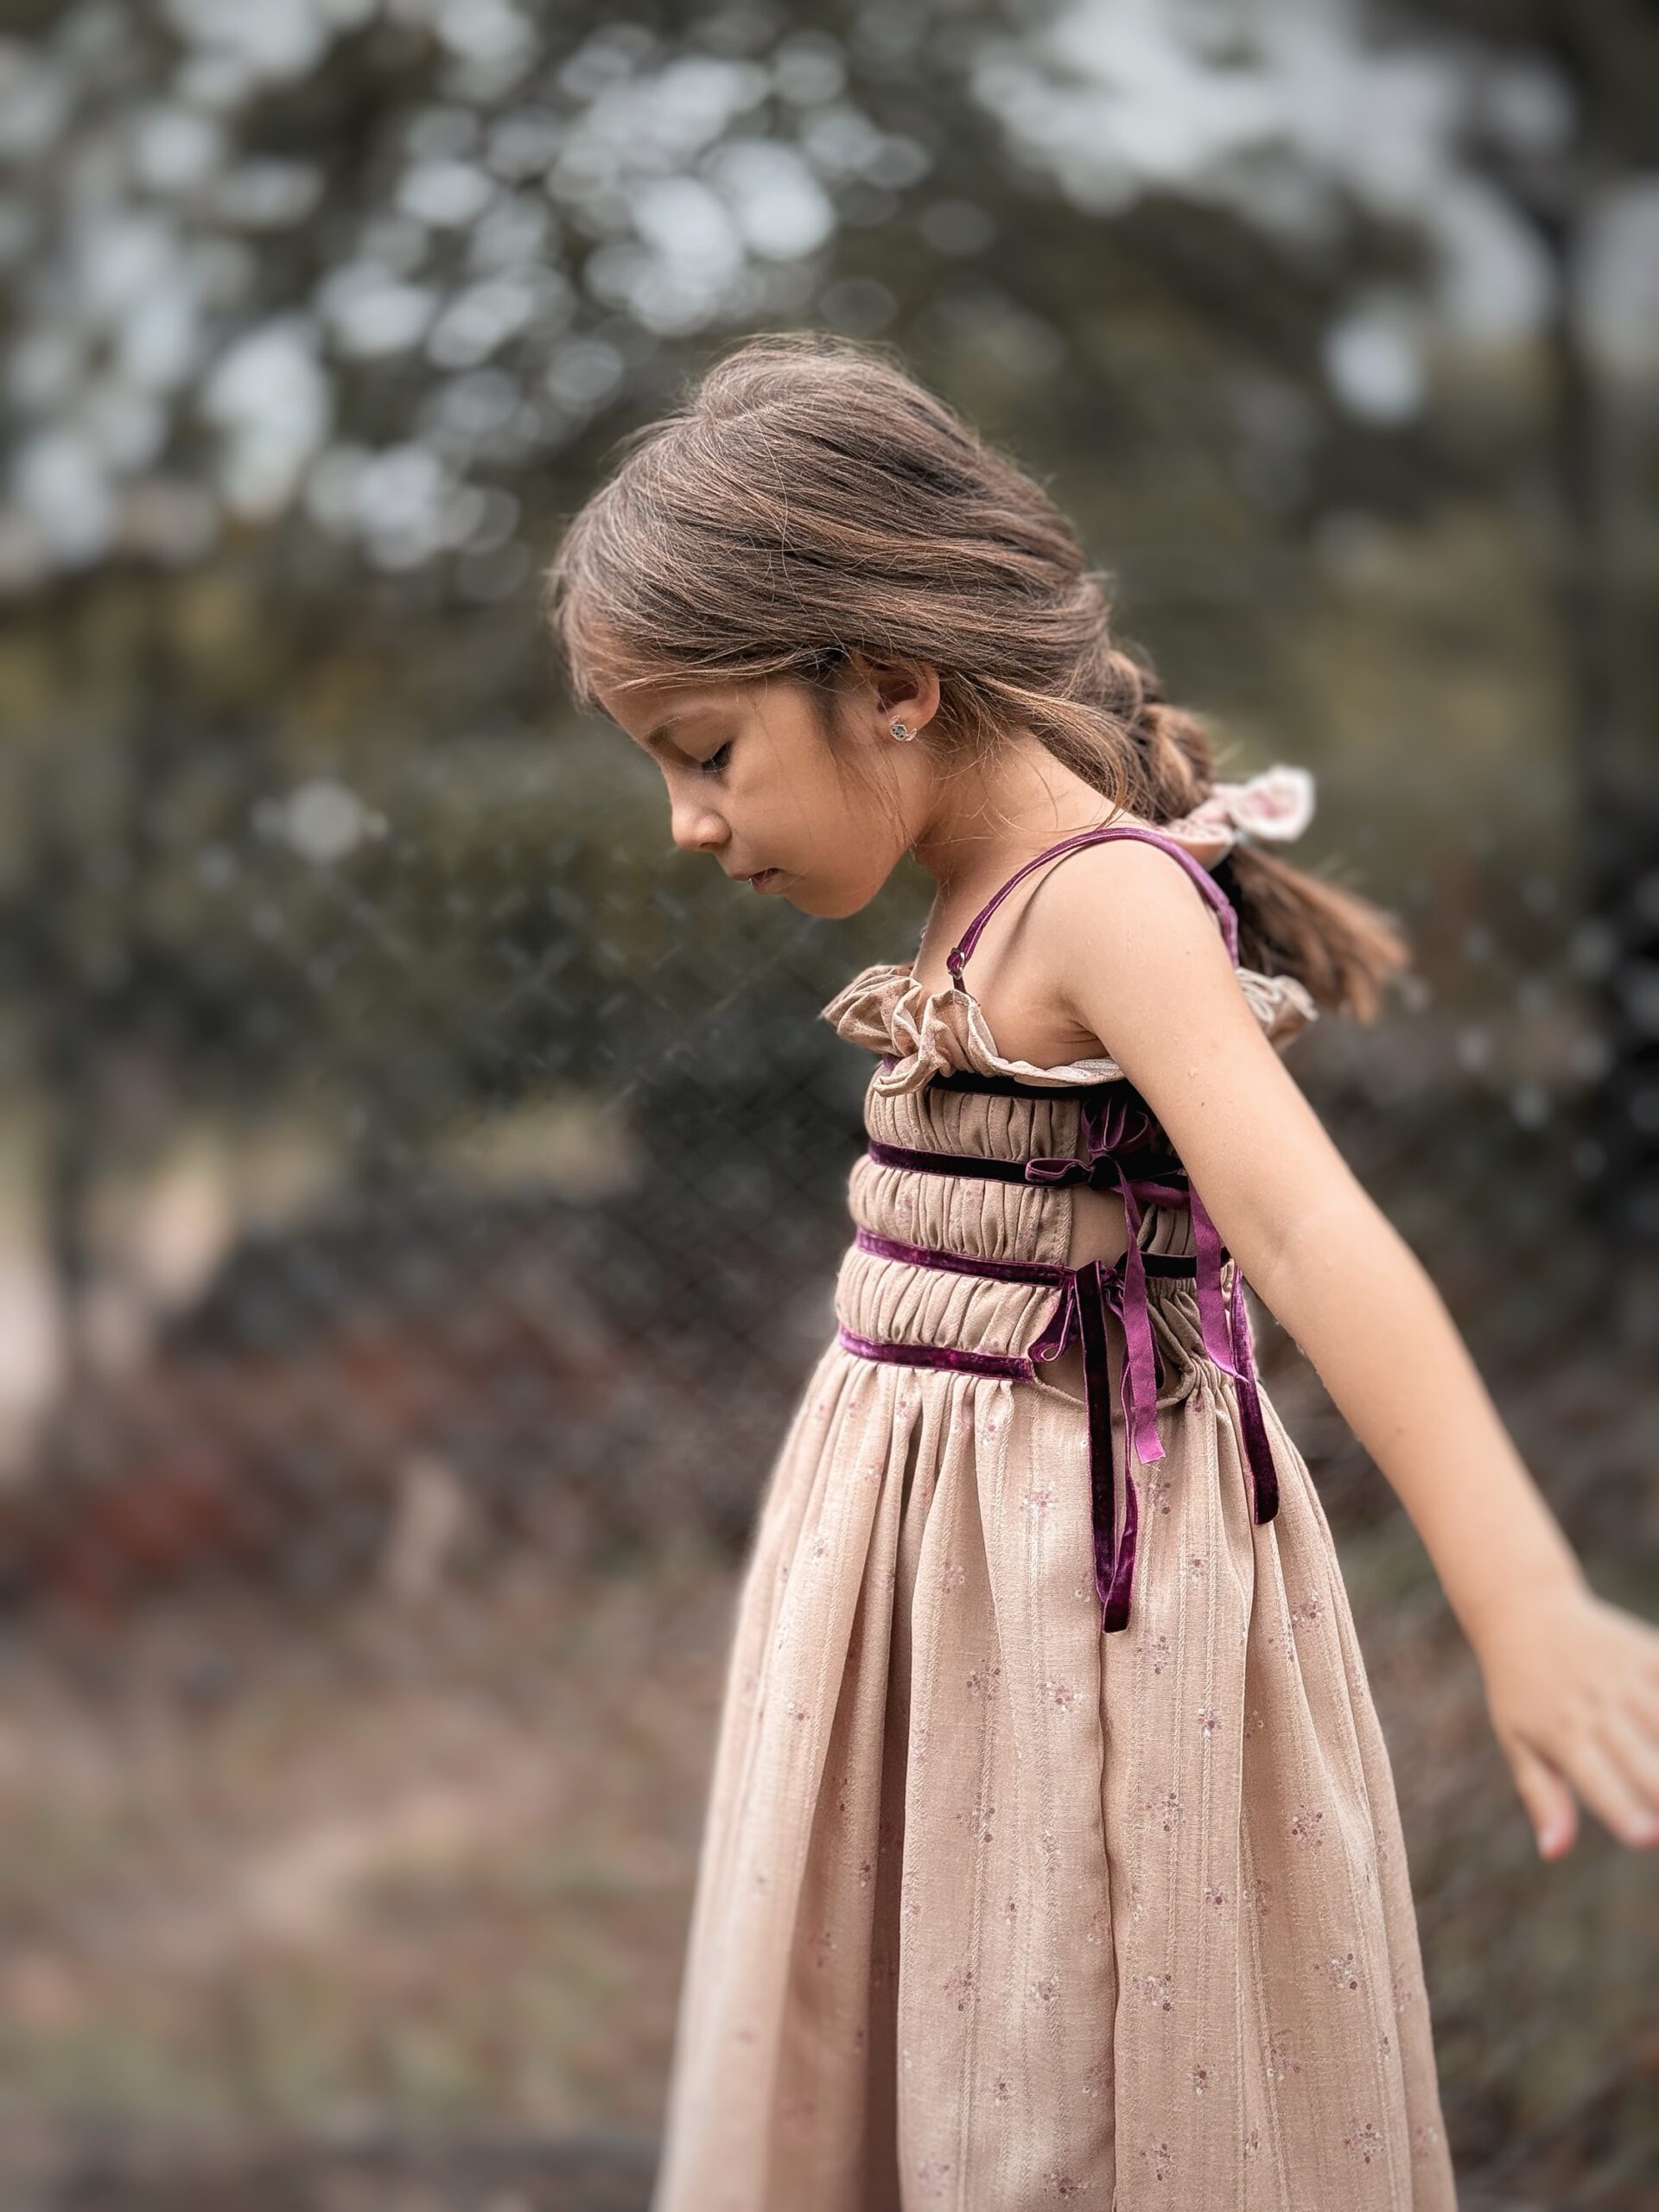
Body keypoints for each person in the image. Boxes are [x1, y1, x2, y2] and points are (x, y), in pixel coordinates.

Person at [543, 331, 1659, 2211]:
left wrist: (1522, 1595)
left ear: (891, 683)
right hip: (932, 1589)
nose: (688, 820)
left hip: (1067, 1607)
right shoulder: (978, 895)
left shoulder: (1107, 900)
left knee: (1061, 2075)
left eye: (707, 752)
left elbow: (1310, 1233)